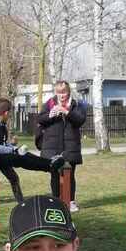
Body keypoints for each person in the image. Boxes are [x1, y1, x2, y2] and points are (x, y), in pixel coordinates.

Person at [0, 97, 65, 205]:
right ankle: (49, 165)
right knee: (20, 158)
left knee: (15, 173)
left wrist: (15, 149)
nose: (10, 116)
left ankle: (21, 203)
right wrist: (13, 151)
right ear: (6, 112)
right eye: (10, 114)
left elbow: (2, 144)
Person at [37, 81, 86, 211]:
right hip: (52, 146)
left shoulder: (76, 104)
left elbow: (80, 120)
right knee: (54, 174)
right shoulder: (49, 103)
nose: (61, 95)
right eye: (59, 92)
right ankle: (56, 201)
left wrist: (66, 112)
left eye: (64, 92)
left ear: (68, 92)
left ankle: (70, 201)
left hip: (71, 146)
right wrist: (51, 115)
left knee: (70, 174)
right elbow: (40, 119)